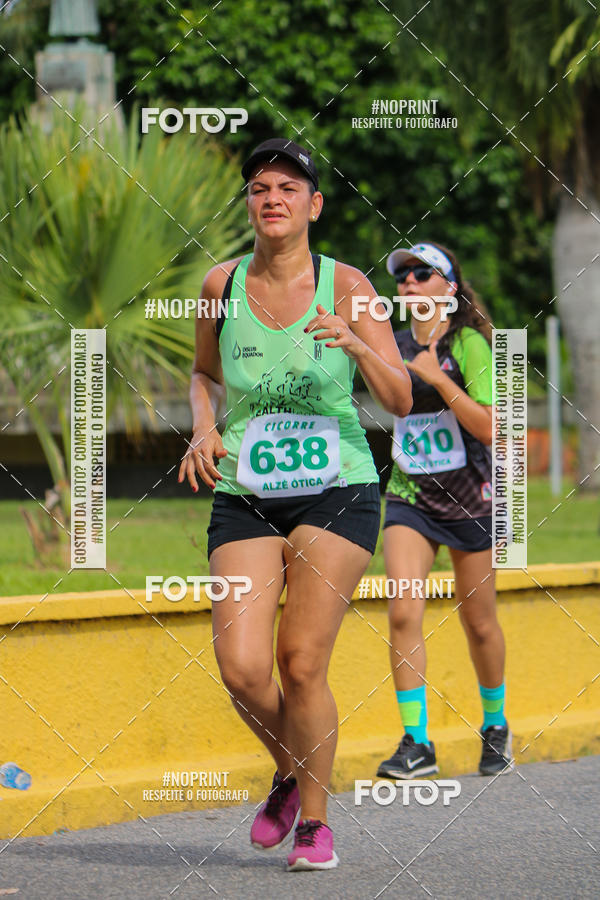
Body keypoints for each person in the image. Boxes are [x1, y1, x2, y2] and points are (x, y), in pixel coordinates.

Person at [179, 139, 412, 870]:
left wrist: (358, 343)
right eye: (257, 188)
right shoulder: (219, 283)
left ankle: (313, 821)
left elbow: (402, 397)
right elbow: (202, 374)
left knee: (300, 661)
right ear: (249, 205)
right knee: (243, 669)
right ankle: (292, 771)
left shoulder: (350, 287)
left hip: (338, 487)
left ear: (313, 205)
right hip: (247, 491)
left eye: (287, 187)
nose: (270, 197)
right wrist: (205, 424)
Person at [377, 241, 512, 780]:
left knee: (479, 623)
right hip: (409, 497)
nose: (409, 283)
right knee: (404, 610)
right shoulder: (394, 342)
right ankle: (417, 742)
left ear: (449, 289)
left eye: (422, 274)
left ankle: (496, 724)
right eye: (403, 276)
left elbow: (489, 427)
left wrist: (436, 377)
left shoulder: (471, 345)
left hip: (469, 498)